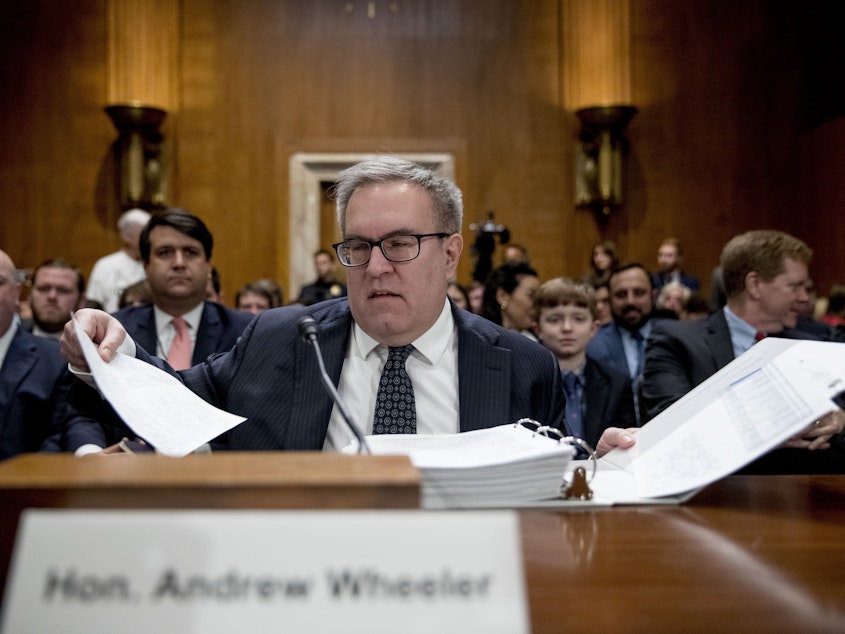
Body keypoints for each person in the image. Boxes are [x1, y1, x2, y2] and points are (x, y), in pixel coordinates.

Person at [62, 156, 635, 456]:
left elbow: (549, 480)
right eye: (358, 247)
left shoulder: (519, 364)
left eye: (402, 244)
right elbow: (175, 405)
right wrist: (107, 354)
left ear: (451, 252)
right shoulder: (280, 340)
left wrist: (597, 473)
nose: (377, 266)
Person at [642, 230, 845, 473]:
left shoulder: (814, 342)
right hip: (718, 496)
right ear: (755, 285)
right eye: (795, 286)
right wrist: (772, 428)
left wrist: (840, 420)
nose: (804, 298)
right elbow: (670, 427)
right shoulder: (677, 341)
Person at [532, 278, 637, 449]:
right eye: (554, 319)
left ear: (594, 328)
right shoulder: (525, 383)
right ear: (538, 329)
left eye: (579, 319)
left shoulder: (616, 383)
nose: (567, 328)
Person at [0, 249, 79, 459]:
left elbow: (58, 437)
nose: (52, 297)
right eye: (44, 288)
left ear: (17, 293)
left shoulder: (60, 359)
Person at [586, 263, 661, 424]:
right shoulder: (592, 346)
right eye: (621, 294)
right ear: (610, 300)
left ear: (653, 296)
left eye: (639, 293)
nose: (630, 301)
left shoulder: (676, 337)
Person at [85, 208, 151, 313]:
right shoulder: (106, 265)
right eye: (144, 235)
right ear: (127, 237)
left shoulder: (154, 264)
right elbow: (94, 305)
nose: (149, 240)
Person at [23, 258, 86, 340]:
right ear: (30, 295)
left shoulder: (96, 347)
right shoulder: (10, 341)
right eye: (43, 288)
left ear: (81, 300)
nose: (52, 296)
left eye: (63, 290)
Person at [480, 261, 540, 339]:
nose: (537, 303)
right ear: (502, 296)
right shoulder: (479, 339)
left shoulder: (543, 342)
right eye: (531, 295)